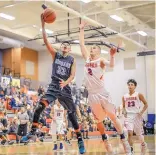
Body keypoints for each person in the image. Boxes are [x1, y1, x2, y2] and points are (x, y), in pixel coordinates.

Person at [21, 13, 86, 154]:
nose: (64, 46)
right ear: (61, 47)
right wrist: (43, 25)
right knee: (39, 108)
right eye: (63, 45)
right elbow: (46, 40)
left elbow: (73, 75)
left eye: (67, 46)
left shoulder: (72, 60)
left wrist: (66, 82)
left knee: (71, 115)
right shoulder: (55, 54)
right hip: (53, 86)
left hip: (65, 88)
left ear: (69, 50)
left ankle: (80, 139)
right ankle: (32, 133)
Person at [79, 21, 131, 154]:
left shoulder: (101, 60)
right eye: (91, 49)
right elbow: (81, 44)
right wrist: (81, 29)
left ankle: (124, 141)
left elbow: (112, 65)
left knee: (113, 117)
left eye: (94, 48)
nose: (91, 50)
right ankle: (105, 140)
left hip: (102, 93)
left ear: (99, 51)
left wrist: (112, 56)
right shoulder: (87, 60)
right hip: (92, 95)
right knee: (98, 121)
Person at [122, 79, 148, 154]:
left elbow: (146, 104)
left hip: (137, 115)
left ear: (135, 86)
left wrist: (141, 112)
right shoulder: (124, 96)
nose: (130, 86)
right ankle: (131, 150)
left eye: (132, 85)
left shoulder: (139, 94)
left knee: (138, 134)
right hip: (129, 116)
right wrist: (124, 112)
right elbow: (123, 106)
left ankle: (143, 143)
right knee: (129, 133)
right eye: (129, 84)